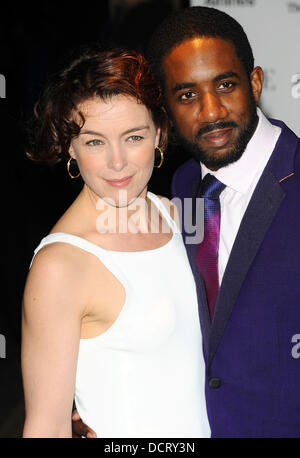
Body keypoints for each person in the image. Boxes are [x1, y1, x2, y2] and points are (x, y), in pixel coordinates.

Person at [73, 6, 300, 438]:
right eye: (187, 95)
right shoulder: (181, 187)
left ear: (255, 83)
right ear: (166, 107)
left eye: (226, 85)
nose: (211, 112)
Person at [21, 44, 211, 438]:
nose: (118, 162)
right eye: (94, 142)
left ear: (159, 133)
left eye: (133, 136)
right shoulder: (61, 266)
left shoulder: (177, 217)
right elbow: (46, 427)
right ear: (69, 146)